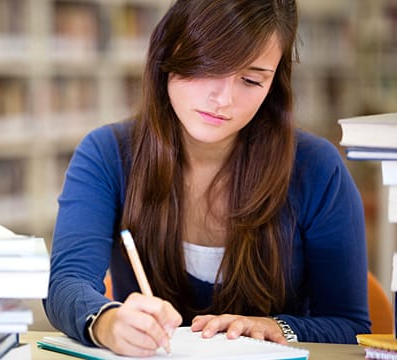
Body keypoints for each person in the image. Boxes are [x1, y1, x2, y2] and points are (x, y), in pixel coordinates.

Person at [43, 0, 371, 357]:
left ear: (274, 83)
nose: (223, 99)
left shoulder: (315, 168)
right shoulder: (108, 154)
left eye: (250, 80)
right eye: (210, 66)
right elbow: (65, 284)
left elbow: (349, 326)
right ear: (169, 53)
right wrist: (108, 322)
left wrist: (277, 327)